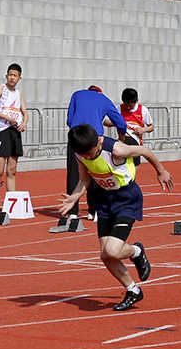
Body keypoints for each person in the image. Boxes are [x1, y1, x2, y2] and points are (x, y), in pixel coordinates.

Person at [59, 123, 173, 311]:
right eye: (84, 155)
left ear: (98, 142)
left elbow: (145, 151)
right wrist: (74, 197)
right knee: (106, 255)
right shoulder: (80, 154)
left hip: (126, 198)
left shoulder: (117, 150)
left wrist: (161, 171)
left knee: (112, 250)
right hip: (104, 200)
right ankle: (133, 289)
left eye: (90, 153)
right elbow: (85, 179)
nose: (88, 157)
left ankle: (137, 252)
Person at [65, 85, 128, 220]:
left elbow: (69, 120)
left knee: (74, 174)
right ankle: (93, 211)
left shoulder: (77, 94)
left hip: (76, 137)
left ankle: (72, 212)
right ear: (100, 92)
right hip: (95, 139)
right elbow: (121, 123)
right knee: (96, 173)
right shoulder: (104, 99)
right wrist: (122, 137)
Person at [0, 62, 26, 217]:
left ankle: (11, 202)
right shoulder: (1, 88)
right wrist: (8, 118)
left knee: (12, 170)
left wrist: (24, 122)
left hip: (15, 132)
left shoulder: (19, 93)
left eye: (15, 76)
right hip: (3, 131)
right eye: (10, 75)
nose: (12, 78)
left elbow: (25, 112)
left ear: (19, 78)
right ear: (6, 76)